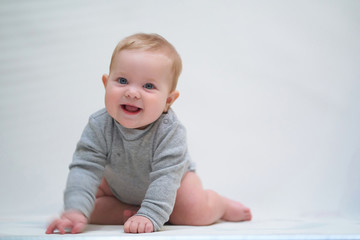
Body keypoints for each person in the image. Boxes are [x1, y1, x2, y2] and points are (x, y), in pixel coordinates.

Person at [46, 33, 252, 234]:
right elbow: (85, 168)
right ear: (105, 84)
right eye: (123, 81)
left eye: (148, 86)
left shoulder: (170, 131)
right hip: (118, 187)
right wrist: (75, 210)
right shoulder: (99, 125)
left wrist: (151, 215)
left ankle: (220, 205)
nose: (132, 92)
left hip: (173, 185)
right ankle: (129, 212)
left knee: (192, 211)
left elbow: (166, 177)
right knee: (88, 210)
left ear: (168, 101)